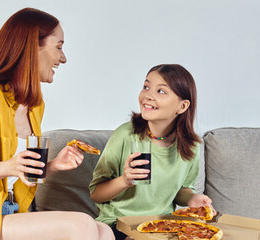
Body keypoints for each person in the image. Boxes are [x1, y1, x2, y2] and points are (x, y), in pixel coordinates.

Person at [0, 8, 113, 240]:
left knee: (103, 230)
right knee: (81, 224)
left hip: (9, 214)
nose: (63, 58)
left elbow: (21, 171)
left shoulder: (34, 106)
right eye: (59, 46)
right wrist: (9, 166)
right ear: (33, 47)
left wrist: (51, 166)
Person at [89, 64, 212, 239]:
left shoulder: (190, 146)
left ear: (182, 106)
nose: (148, 95)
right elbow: (96, 193)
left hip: (162, 226)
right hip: (119, 224)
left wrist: (192, 199)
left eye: (161, 91)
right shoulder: (125, 135)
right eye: (146, 87)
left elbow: (181, 190)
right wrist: (125, 180)